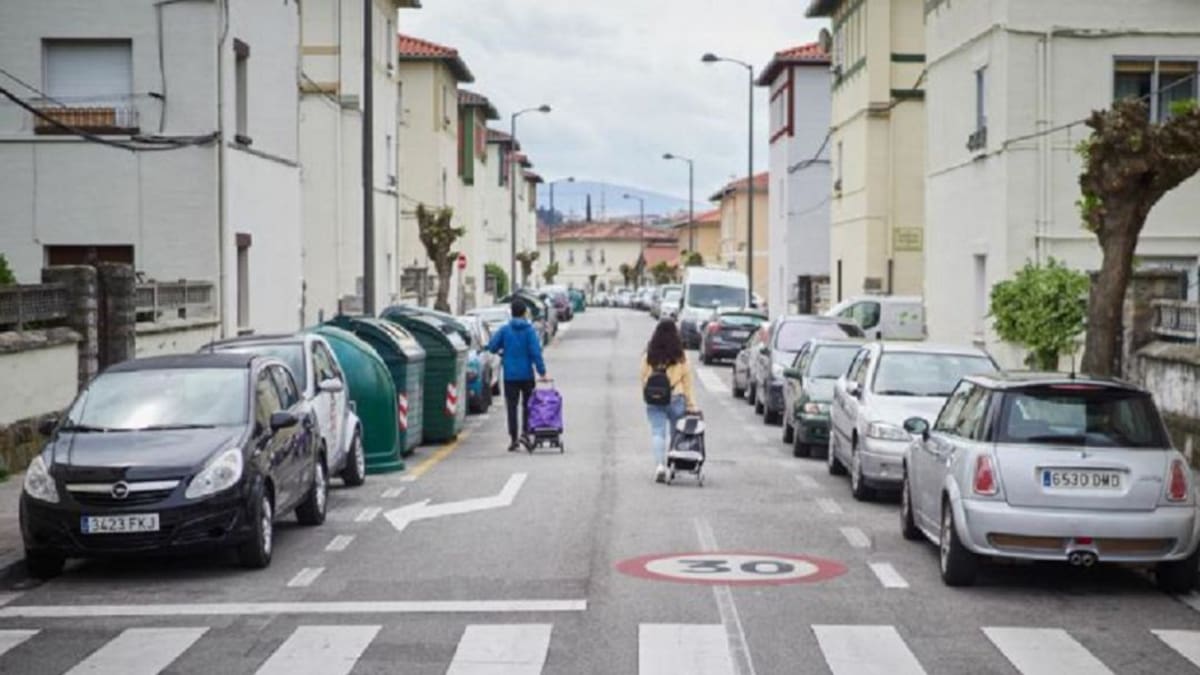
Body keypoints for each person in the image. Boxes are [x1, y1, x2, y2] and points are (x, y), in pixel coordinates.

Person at [640, 319, 698, 483]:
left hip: (654, 397)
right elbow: (687, 381)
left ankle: (660, 466)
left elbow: (643, 376)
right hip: (676, 396)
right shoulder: (680, 355)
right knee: (676, 432)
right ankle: (673, 462)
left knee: (658, 432)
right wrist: (691, 404)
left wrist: (646, 393)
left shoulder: (649, 354)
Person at [487, 298, 548, 451]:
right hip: (527, 375)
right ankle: (525, 433)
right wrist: (542, 372)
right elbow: (535, 352)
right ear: (524, 313)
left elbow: (492, 346)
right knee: (528, 405)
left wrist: (502, 351)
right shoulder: (529, 331)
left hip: (510, 376)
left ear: (512, 312)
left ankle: (513, 439)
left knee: (511, 407)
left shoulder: (505, 330)